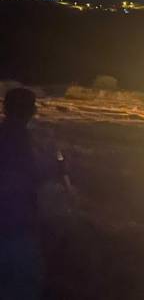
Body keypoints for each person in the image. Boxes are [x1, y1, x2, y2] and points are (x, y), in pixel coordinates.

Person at [0, 87, 69, 299]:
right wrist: (57, 168)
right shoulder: (18, 138)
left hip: (13, 224)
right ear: (31, 110)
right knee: (22, 284)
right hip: (17, 227)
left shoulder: (10, 135)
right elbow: (25, 174)